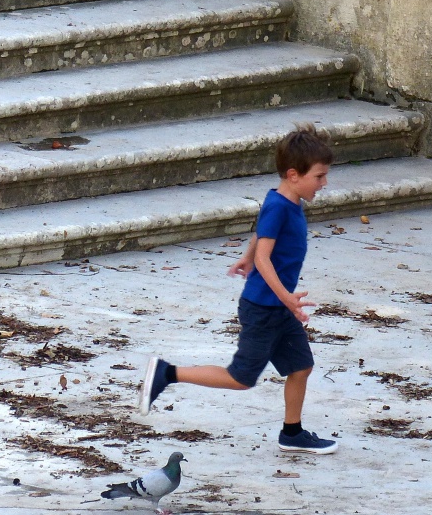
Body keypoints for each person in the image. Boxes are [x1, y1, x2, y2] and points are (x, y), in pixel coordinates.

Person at [138, 126, 337, 454]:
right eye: (319, 176)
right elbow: (265, 256)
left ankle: (292, 433)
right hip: (264, 309)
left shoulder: (286, 200)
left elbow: (260, 237)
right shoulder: (279, 206)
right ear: (293, 174)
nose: (324, 183)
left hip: (277, 309)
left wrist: (246, 257)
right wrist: (284, 294)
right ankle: (167, 372)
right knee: (241, 378)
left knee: (301, 367)